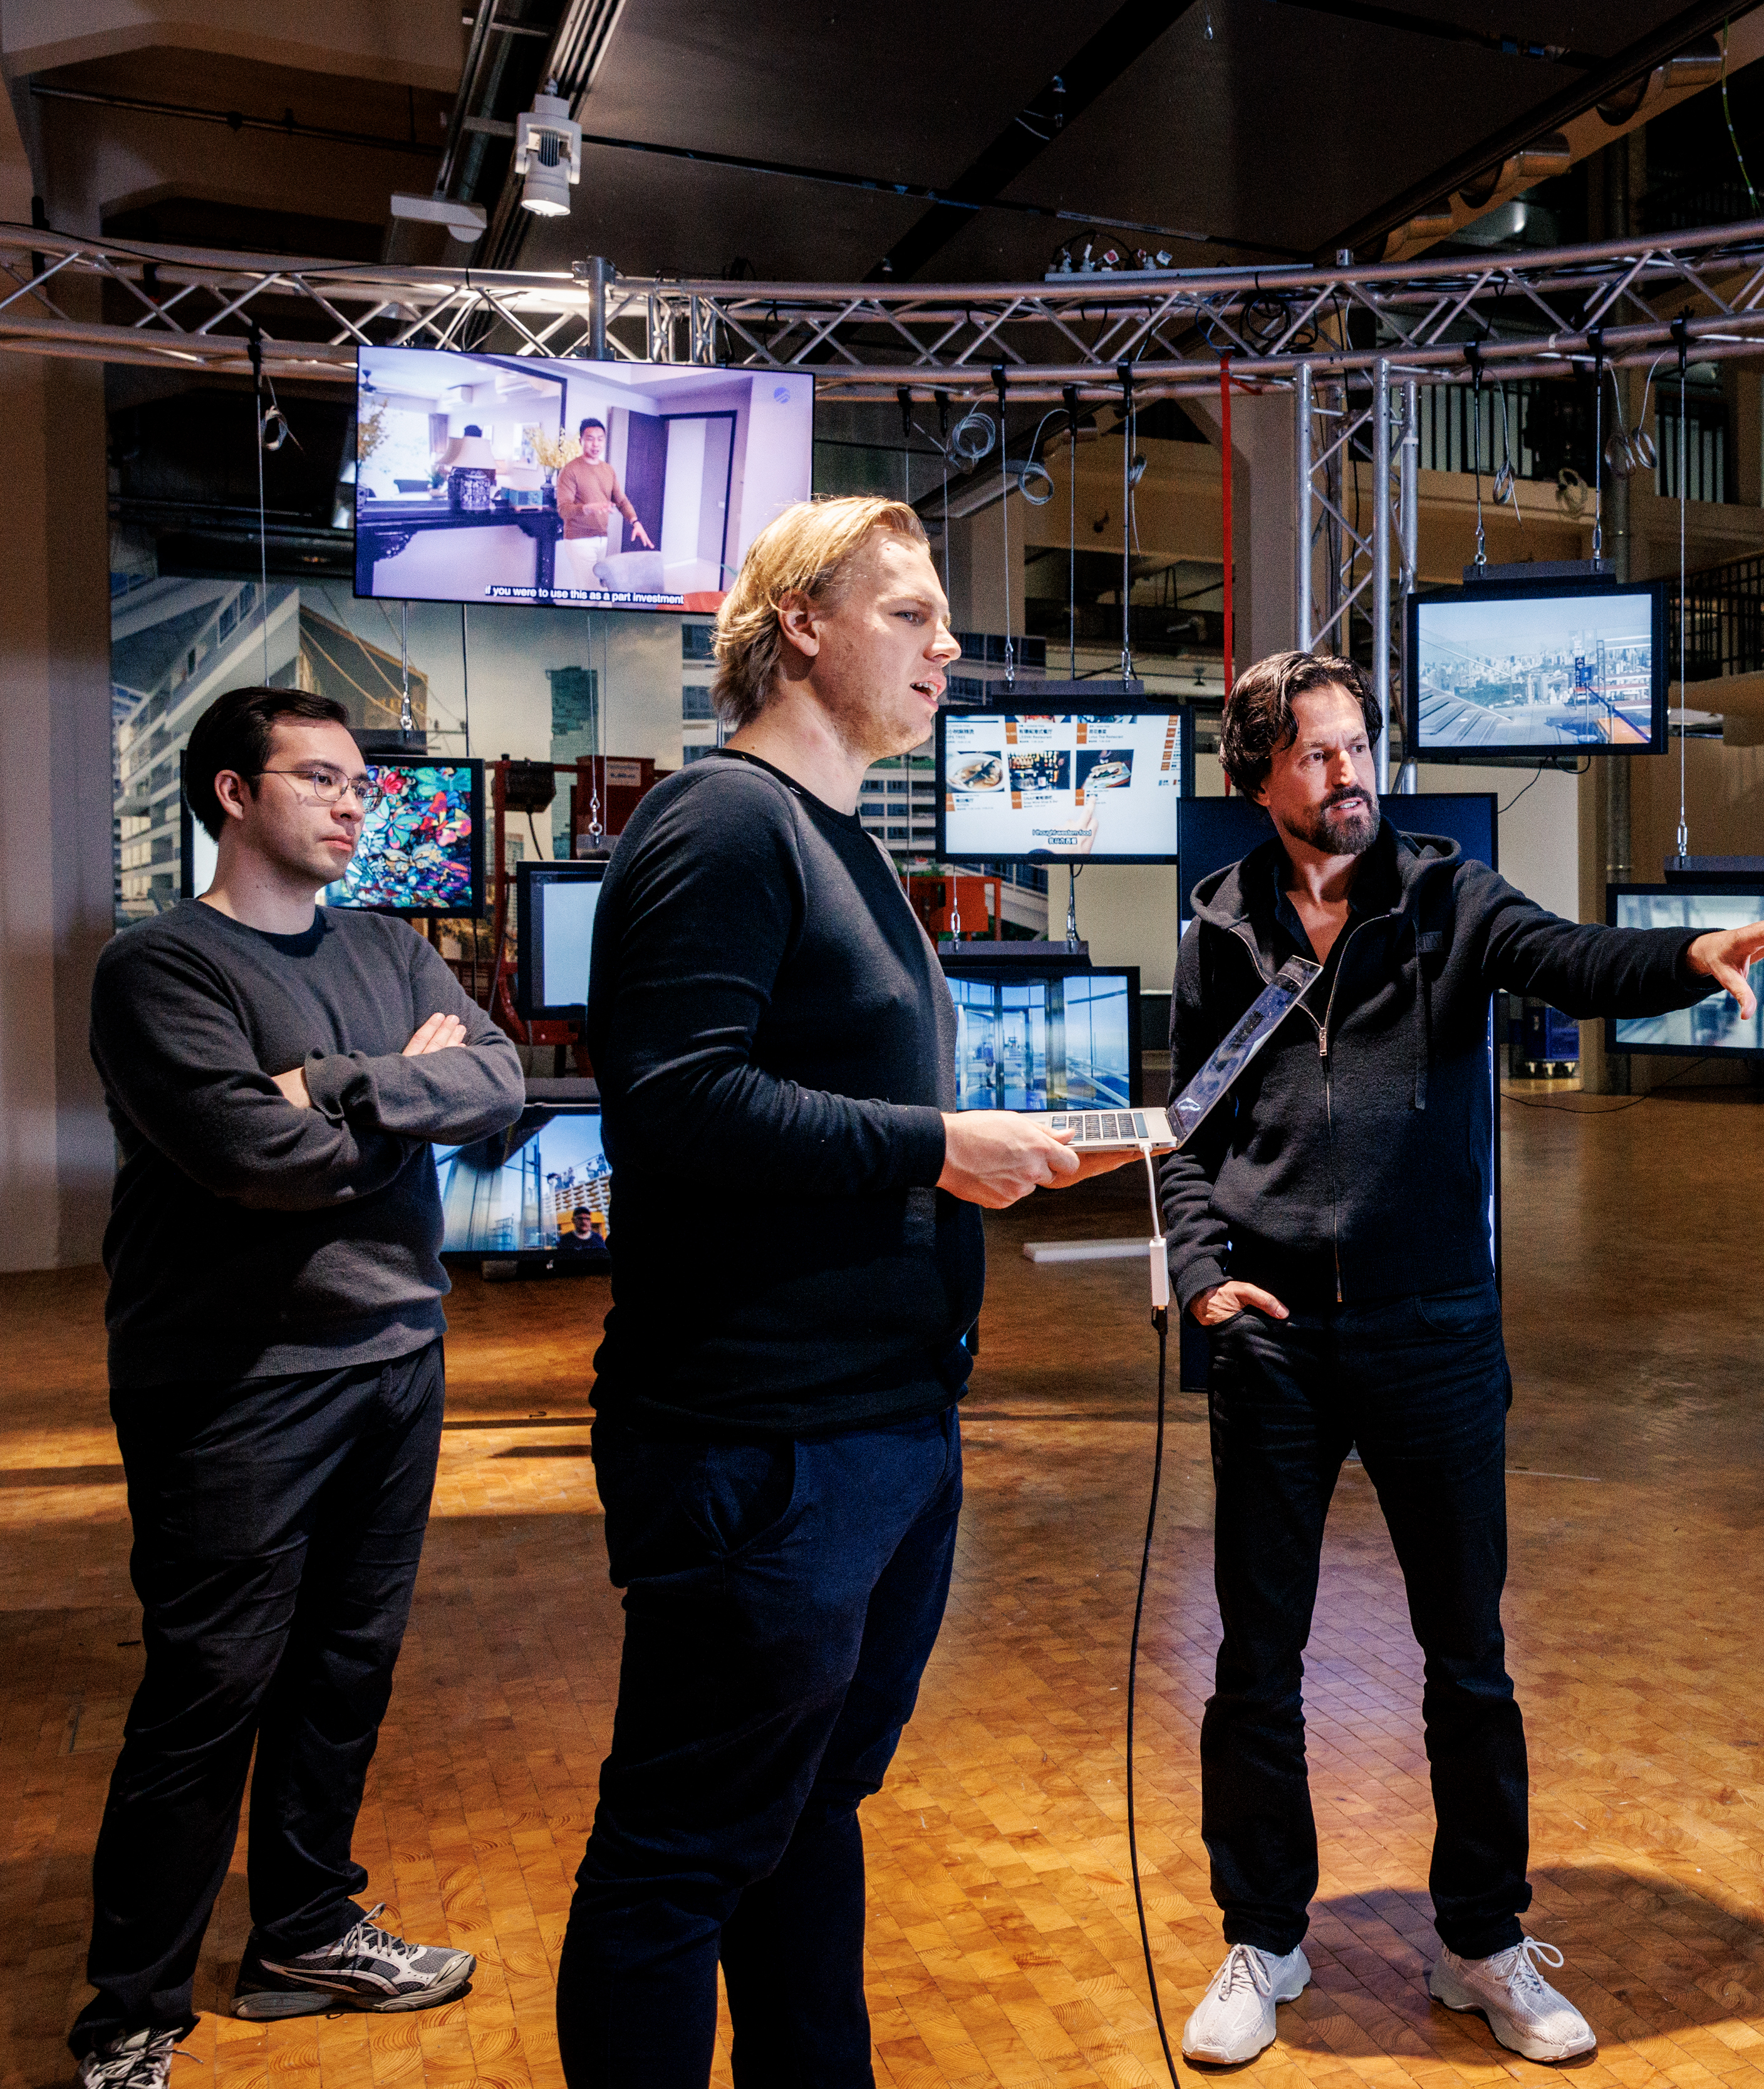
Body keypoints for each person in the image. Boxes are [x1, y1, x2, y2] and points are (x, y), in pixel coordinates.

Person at [1157, 651, 1764, 2067]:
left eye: (1357, 747)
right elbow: (1188, 1136)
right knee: (1253, 1663)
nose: (1350, 775)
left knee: (1468, 1661)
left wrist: (1687, 958)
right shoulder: (1218, 928)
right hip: (1273, 1343)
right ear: (1258, 778)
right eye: (1320, 756)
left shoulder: (1447, 899)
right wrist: (1206, 1282)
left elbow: (1569, 958)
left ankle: (1481, 1941)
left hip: (1434, 1332)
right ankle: (1264, 1939)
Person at [557, 495, 1127, 2089]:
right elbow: (670, 1101)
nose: (950, 646)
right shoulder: (722, 823)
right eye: (911, 613)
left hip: (875, 1431)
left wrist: (960, 1151)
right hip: (757, 1442)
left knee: (810, 1808)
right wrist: (936, 1143)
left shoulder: (842, 838)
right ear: (801, 622)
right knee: (680, 1852)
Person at [74, 687, 526, 2088]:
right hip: (232, 1380)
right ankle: (131, 2006)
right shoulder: (159, 969)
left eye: (356, 782)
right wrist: (404, 1095)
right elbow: (249, 1158)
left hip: (396, 1356)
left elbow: (502, 1084)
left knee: (345, 1666)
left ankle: (303, 1930)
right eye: (318, 779)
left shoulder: (391, 945)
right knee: (209, 1683)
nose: (352, 803)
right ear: (229, 792)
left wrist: (329, 1085)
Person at [554, 418, 653, 551]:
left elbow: (622, 501)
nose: (596, 444)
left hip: (602, 537)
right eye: (590, 439)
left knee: (599, 573)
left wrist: (635, 522)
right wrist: (587, 508)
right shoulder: (570, 470)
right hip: (578, 539)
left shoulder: (608, 470)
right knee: (588, 574)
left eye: (600, 439)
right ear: (581, 441)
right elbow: (563, 510)